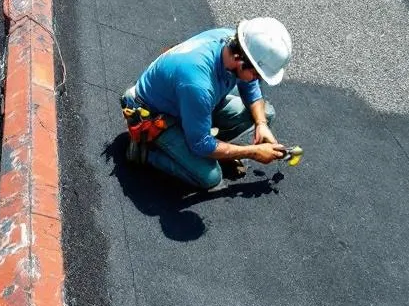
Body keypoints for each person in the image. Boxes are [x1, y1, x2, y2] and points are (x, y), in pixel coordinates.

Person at [121, 18, 292, 190]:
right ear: (240, 62)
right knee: (210, 177)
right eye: (257, 75)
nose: (258, 80)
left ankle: (208, 144)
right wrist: (252, 152)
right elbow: (201, 145)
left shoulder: (234, 45)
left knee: (265, 114)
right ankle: (146, 153)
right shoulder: (198, 85)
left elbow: (250, 86)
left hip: (188, 101)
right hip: (154, 114)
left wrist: (261, 124)